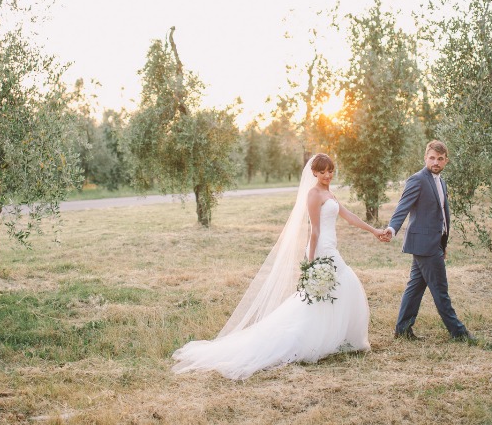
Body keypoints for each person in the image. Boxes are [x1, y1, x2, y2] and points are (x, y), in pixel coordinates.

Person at [172, 153, 387, 379]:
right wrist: (311, 262)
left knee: (334, 291)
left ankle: (336, 339)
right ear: (313, 172)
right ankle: (311, 341)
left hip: (330, 248)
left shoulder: (329, 193)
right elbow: (314, 230)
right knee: (338, 286)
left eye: (330, 171)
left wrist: (374, 231)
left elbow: (348, 215)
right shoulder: (313, 194)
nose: (327, 175)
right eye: (322, 171)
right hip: (322, 250)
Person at [381, 140, 475, 343]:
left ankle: (402, 329)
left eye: (440, 159)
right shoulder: (417, 179)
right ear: (425, 158)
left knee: (415, 287)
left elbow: (441, 215)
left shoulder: (441, 181)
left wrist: (443, 244)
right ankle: (459, 333)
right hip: (425, 245)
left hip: (434, 243)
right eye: (432, 158)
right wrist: (392, 228)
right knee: (441, 290)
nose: (435, 162)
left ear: (446, 161)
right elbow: (402, 207)